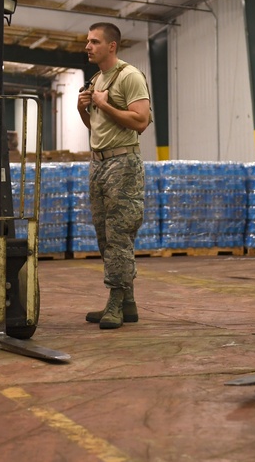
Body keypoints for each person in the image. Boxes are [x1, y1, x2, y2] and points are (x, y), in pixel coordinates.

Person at [77, 22, 152, 330]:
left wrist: (104, 104)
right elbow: (96, 127)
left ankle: (115, 302)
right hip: (99, 163)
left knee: (119, 234)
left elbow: (141, 121)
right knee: (105, 236)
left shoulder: (129, 76)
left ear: (112, 46)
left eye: (94, 41)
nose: (88, 46)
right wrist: (84, 108)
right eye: (87, 41)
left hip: (123, 163)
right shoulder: (96, 79)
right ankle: (128, 304)